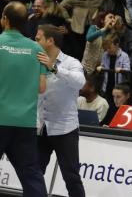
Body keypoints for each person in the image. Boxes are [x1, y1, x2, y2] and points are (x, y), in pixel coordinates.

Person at [0, 1, 48, 196]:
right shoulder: (37, 49)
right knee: (31, 174)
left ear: (5, 20)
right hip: (25, 122)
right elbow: (41, 87)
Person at [35, 24, 86, 197]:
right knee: (34, 174)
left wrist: (54, 67)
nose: (35, 41)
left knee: (71, 177)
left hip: (65, 129)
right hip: (41, 127)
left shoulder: (71, 62)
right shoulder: (35, 61)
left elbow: (80, 82)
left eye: (38, 38)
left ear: (50, 41)